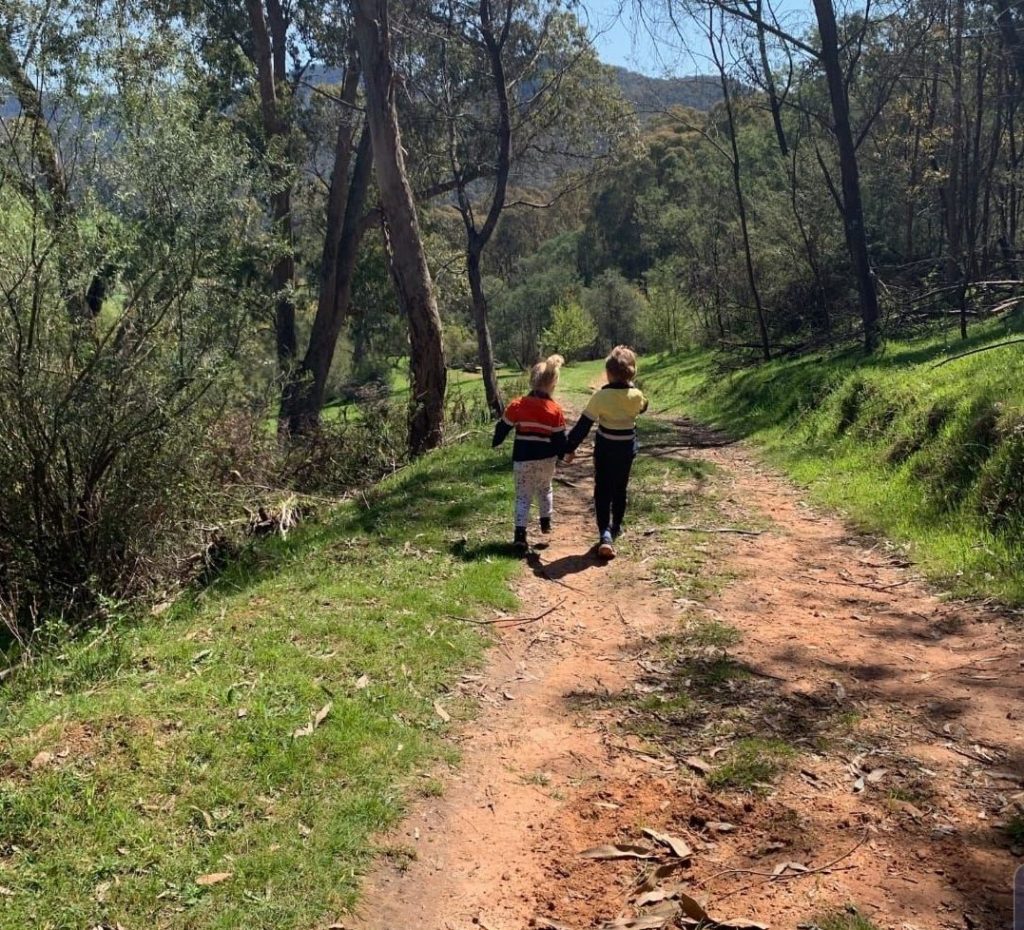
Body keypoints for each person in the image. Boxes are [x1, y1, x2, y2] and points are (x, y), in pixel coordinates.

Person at [564, 346, 648, 559]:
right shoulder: (636, 396)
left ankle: (605, 534)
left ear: (609, 373)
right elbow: (644, 406)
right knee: (620, 488)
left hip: (605, 451)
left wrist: (568, 448)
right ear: (632, 373)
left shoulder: (601, 397)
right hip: (626, 450)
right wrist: (631, 387)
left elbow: (583, 426)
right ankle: (616, 525)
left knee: (602, 490)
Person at [492, 355, 568, 552]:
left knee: (523, 497)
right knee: (545, 488)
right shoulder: (555, 410)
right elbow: (560, 439)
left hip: (523, 459)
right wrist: (564, 454)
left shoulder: (517, 405)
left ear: (531, 380)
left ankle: (520, 534)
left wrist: (496, 441)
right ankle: (545, 521)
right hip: (546, 460)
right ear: (553, 383)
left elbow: (503, 427)